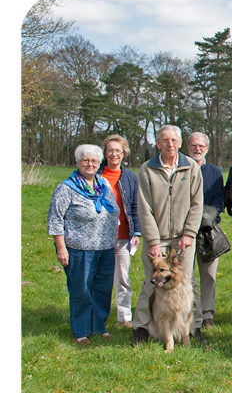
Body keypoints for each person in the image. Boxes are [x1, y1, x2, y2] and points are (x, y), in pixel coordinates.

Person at [131, 125, 206, 346]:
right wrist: (153, 241)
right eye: (165, 140)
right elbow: (144, 207)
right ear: (158, 143)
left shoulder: (191, 167)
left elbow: (197, 204)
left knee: (188, 282)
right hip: (158, 237)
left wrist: (190, 233)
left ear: (180, 143)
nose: (170, 144)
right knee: (151, 282)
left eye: (174, 140)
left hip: (184, 237)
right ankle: (142, 327)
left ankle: (194, 328)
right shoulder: (147, 169)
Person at [48, 145, 120, 344]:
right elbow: (55, 219)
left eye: (94, 161)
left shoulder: (103, 184)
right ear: (77, 162)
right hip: (79, 249)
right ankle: (81, 332)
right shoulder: (66, 188)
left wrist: (112, 240)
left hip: (105, 248)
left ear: (99, 163)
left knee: (102, 290)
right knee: (81, 291)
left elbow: (113, 214)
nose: (90, 164)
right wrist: (61, 248)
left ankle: (98, 327)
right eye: (86, 161)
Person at [97, 134, 141, 328]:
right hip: (97, 238)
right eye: (110, 150)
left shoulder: (130, 177)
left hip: (123, 237)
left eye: (118, 151)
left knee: (123, 278)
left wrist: (137, 232)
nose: (114, 154)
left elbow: (134, 207)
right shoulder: (94, 175)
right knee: (99, 278)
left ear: (124, 154)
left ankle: (124, 317)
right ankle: (97, 315)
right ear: (104, 153)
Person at [187, 132, 224, 329]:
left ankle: (208, 313)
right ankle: (191, 312)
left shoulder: (214, 172)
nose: (197, 149)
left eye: (201, 146)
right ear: (187, 147)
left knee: (209, 274)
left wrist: (206, 217)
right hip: (184, 229)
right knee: (185, 273)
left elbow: (219, 199)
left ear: (207, 149)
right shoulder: (181, 168)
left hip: (208, 230)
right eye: (193, 145)